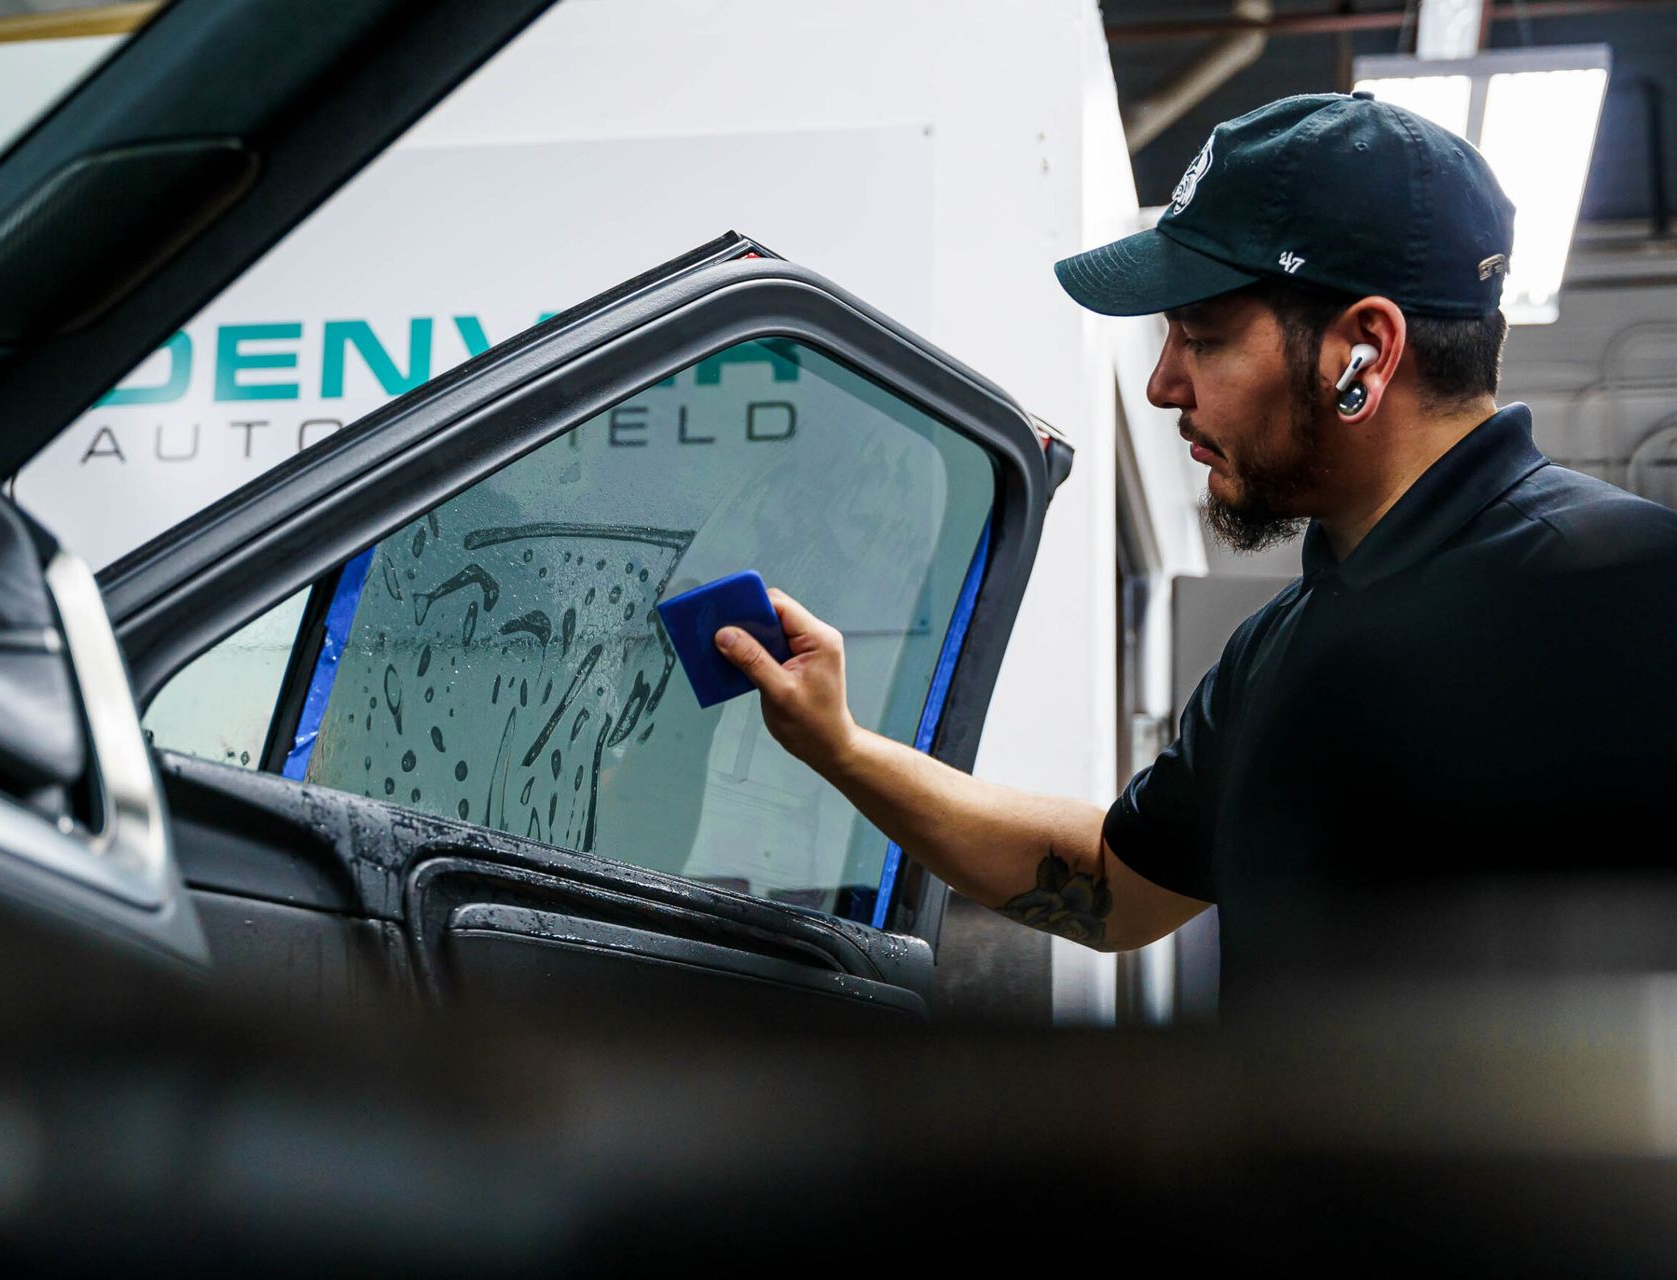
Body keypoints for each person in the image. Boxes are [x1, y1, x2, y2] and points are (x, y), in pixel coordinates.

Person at [713, 92, 1677, 989]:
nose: (1163, 384)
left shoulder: (1633, 601)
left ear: (1364, 354)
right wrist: (839, 746)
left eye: (1203, 337)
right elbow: (1113, 883)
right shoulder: (1280, 653)